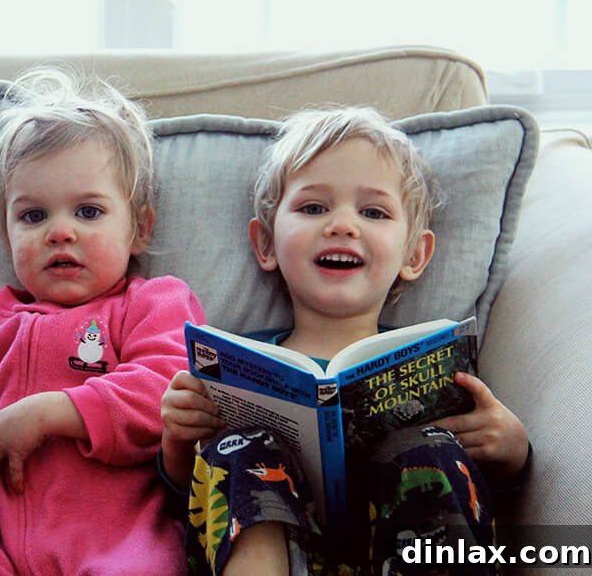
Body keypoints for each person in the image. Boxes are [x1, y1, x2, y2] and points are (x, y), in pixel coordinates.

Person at [159, 107, 531, 575]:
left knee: (430, 450)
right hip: (279, 553)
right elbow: (184, 504)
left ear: (414, 254)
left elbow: (487, 496)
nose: (343, 225)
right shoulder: (235, 363)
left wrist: (513, 451)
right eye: (313, 208)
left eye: (373, 212)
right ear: (267, 245)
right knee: (239, 451)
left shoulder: (438, 364)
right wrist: (177, 440)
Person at [0, 67, 206, 575]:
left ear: (139, 228)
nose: (60, 232)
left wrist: (54, 411)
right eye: (33, 216)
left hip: (119, 543)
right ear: (5, 236)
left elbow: (165, 391)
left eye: (88, 212)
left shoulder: (151, 303)